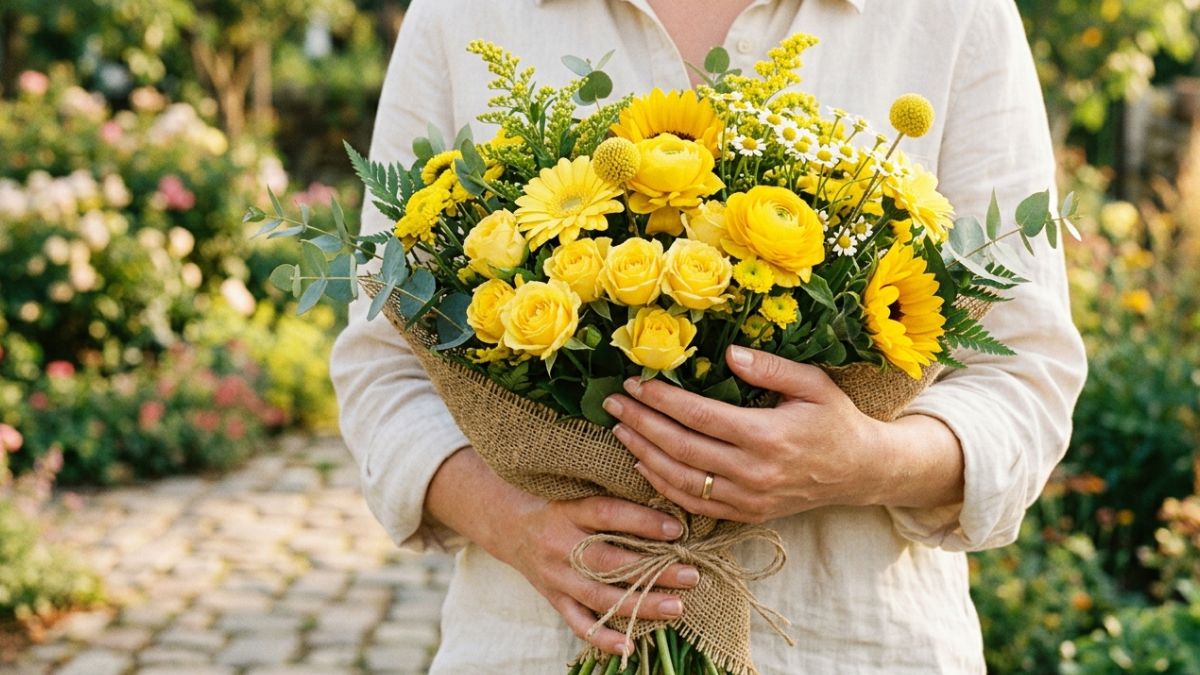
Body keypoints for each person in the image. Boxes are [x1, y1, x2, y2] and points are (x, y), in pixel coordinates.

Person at [330, 0, 1087, 671]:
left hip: (854, 646)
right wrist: (512, 523)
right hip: (533, 645)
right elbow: (382, 365)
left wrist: (866, 462)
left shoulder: (954, 12)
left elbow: (1027, 377)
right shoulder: (460, 12)